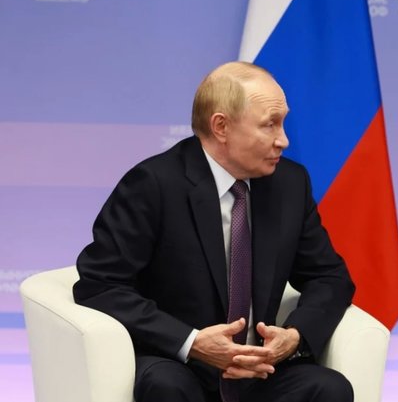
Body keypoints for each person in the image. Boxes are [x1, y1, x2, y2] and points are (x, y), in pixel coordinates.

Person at [73, 61, 356, 402]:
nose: (284, 140)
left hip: (260, 371)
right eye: (270, 125)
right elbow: (100, 285)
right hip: (180, 364)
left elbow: (329, 277)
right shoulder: (154, 184)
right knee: (166, 386)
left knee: (329, 387)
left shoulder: (290, 184)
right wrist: (191, 342)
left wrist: (294, 336)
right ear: (221, 126)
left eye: (283, 123)